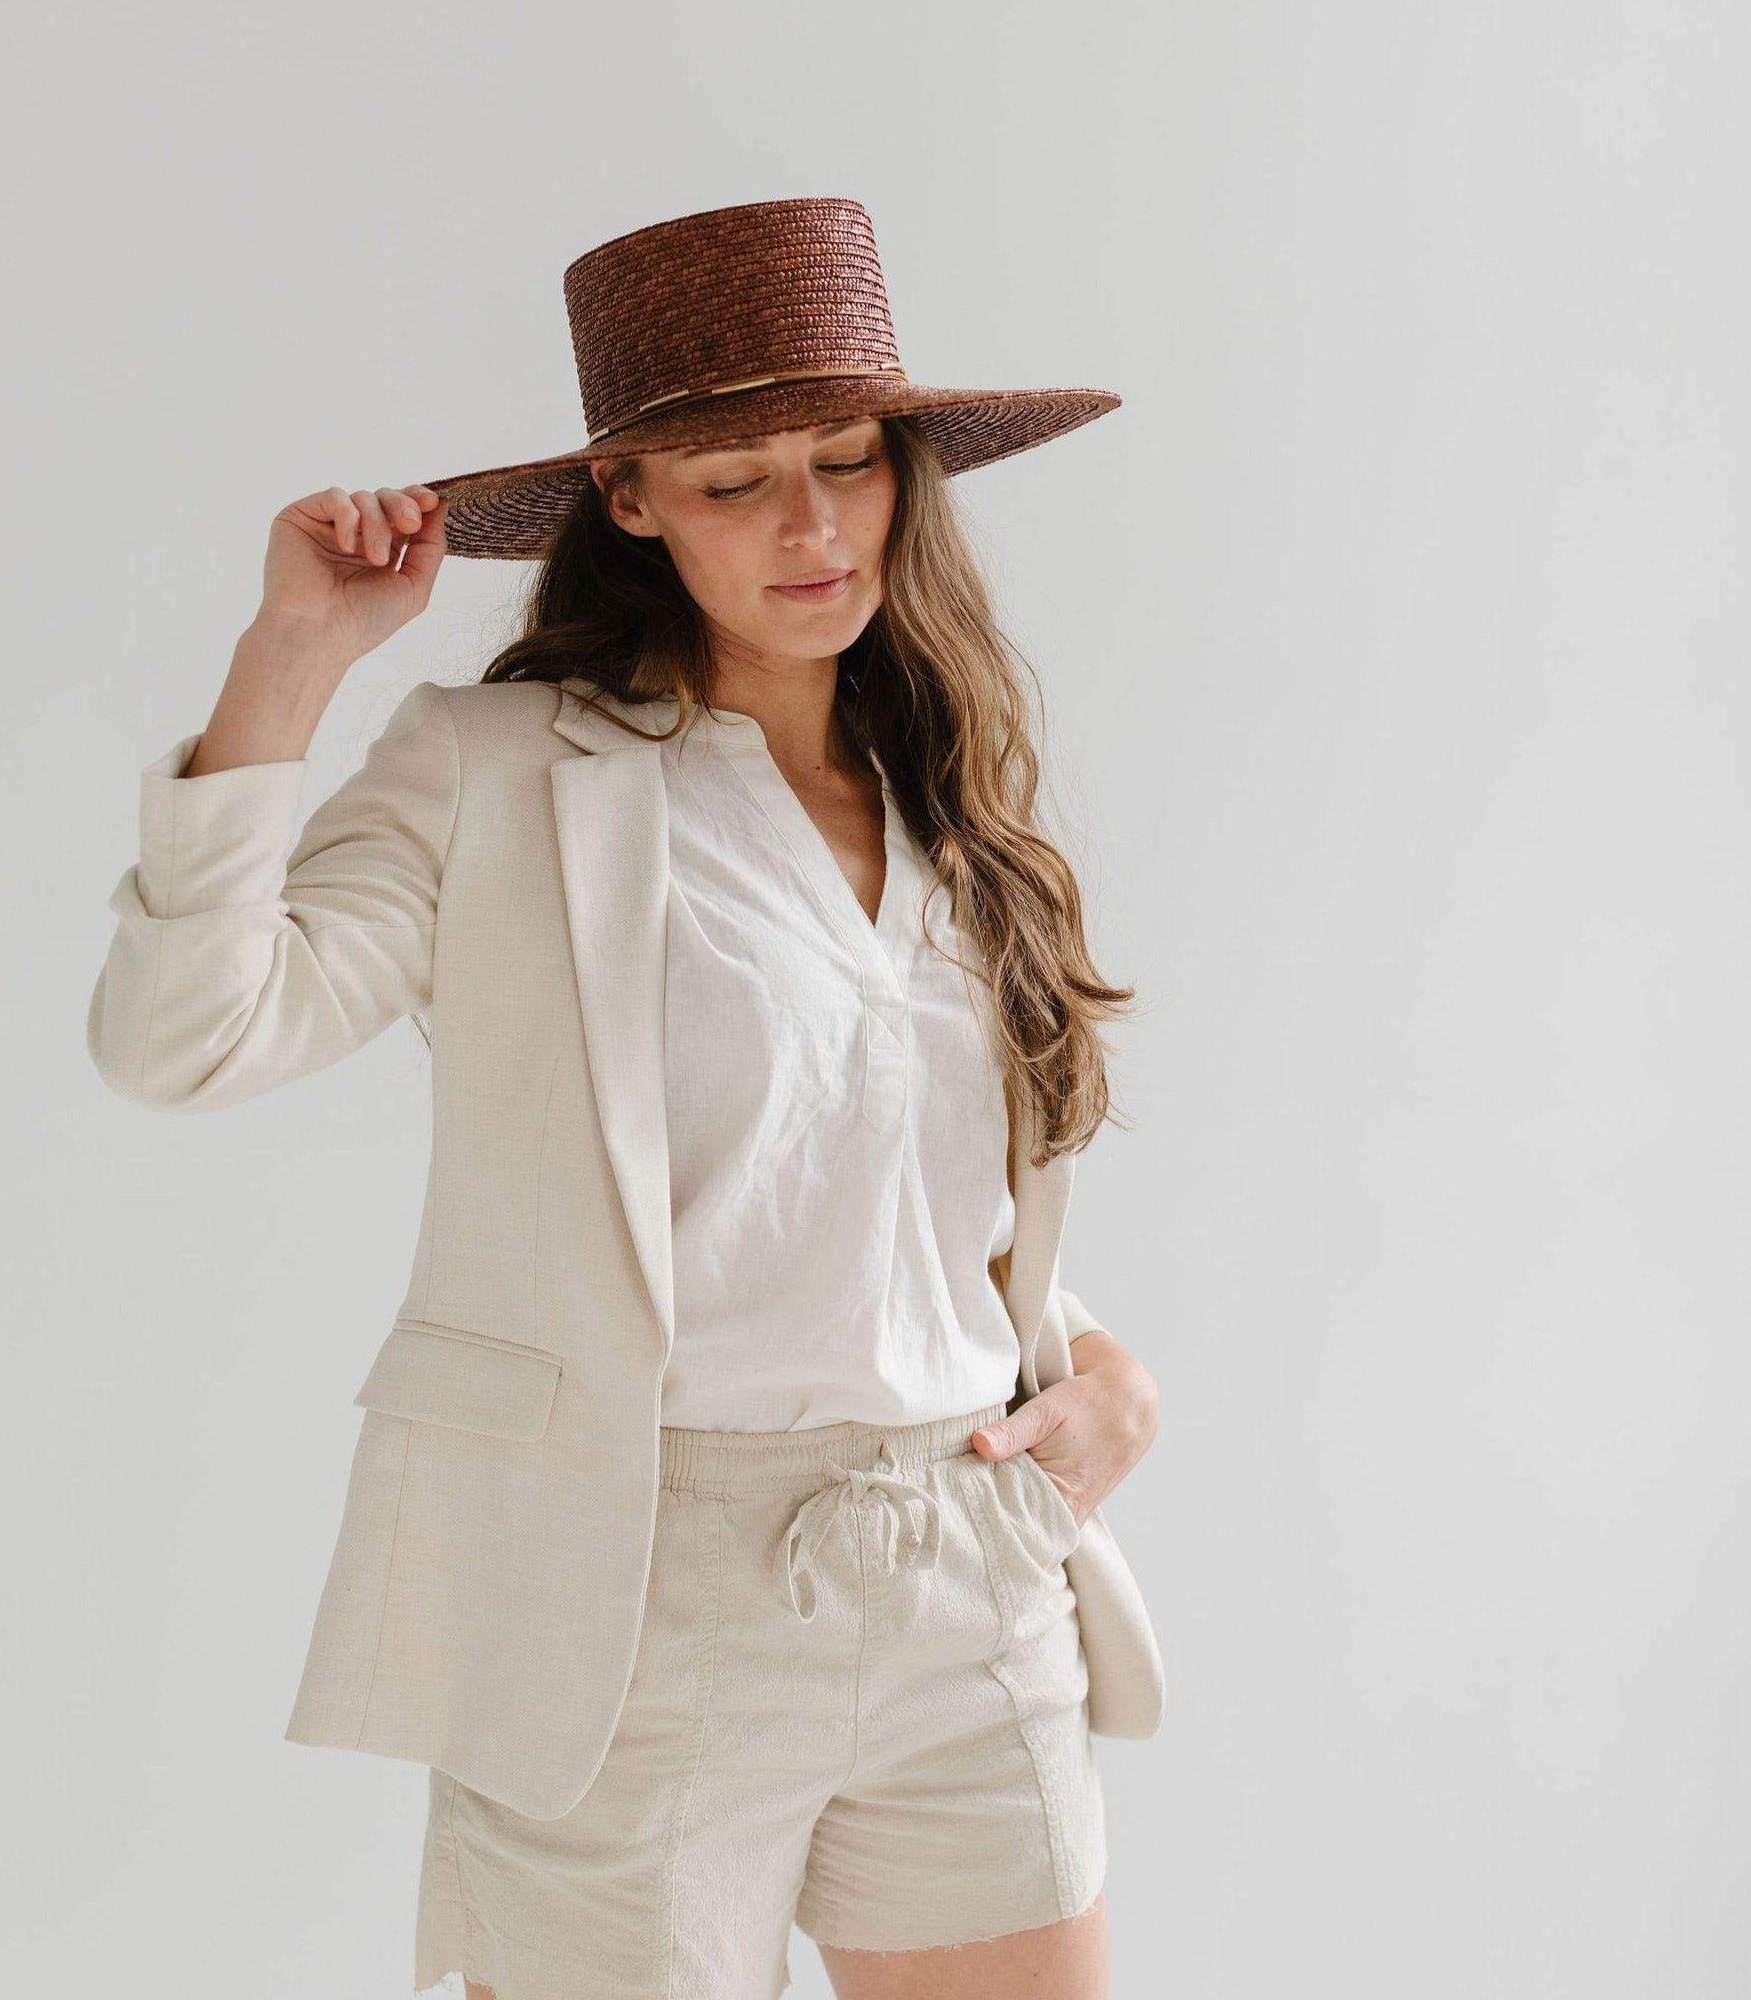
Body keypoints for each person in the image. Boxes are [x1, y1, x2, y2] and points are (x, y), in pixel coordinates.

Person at [87, 197, 1166, 2000]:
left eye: (845, 460)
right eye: (734, 480)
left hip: (968, 1564)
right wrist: (295, 655)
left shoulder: (959, 805)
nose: (813, 525)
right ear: (630, 499)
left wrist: (1086, 1358)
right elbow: (182, 1036)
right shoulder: (500, 776)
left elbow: (871, 1190)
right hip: (633, 1605)